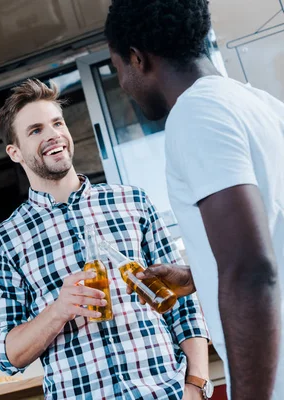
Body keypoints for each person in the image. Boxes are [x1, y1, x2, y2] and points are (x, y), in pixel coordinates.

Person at [0, 79, 210, 399]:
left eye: (57, 123)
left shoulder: (133, 202)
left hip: (163, 392)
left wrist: (196, 385)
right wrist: (58, 310)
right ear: (15, 152)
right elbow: (8, 355)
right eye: (35, 130)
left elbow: (183, 303)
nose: (52, 135)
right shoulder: (4, 242)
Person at [104, 1, 284, 399]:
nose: (122, 85)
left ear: (137, 58)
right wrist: (195, 274)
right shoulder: (259, 104)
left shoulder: (195, 114)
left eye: (117, 69)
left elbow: (251, 270)